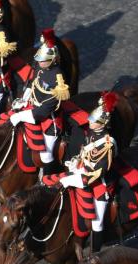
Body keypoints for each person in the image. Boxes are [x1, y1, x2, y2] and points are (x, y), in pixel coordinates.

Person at [50, 92, 118, 254]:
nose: (90, 121)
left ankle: (95, 252)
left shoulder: (107, 145)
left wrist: (69, 179)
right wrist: (75, 163)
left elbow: (96, 173)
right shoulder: (92, 134)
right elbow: (85, 154)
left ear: (102, 124)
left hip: (100, 183)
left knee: (97, 222)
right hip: (83, 172)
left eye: (94, 121)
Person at [6, 29, 70, 174]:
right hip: (32, 105)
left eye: (43, 60)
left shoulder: (58, 78)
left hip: (49, 119)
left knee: (46, 155)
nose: (39, 62)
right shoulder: (40, 67)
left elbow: (47, 109)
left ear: (52, 59)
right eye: (39, 60)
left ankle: (46, 178)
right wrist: (24, 99)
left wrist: (21, 116)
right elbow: (32, 82)